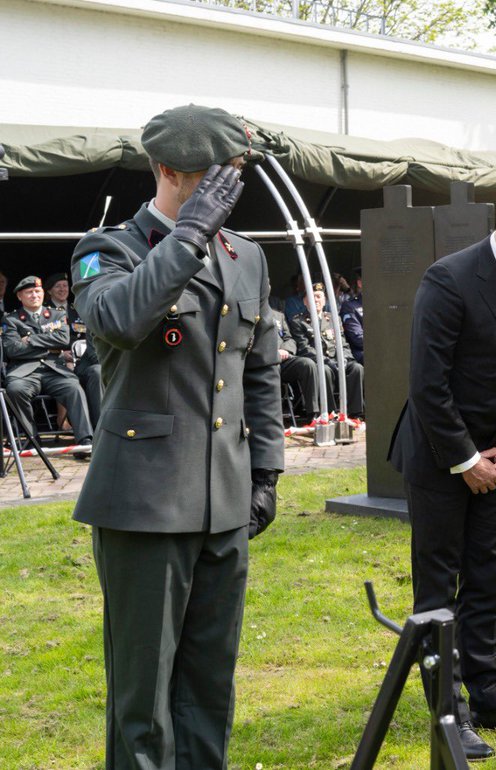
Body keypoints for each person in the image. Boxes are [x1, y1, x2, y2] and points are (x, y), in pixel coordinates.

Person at [69, 104, 283, 770]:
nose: (230, 187)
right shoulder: (108, 249)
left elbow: (261, 370)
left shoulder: (246, 256)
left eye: (237, 172)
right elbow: (122, 319)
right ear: (166, 170)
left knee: (208, 683)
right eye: (214, 174)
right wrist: (186, 236)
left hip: (224, 499)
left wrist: (267, 471)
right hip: (145, 503)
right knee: (143, 695)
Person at [388, 181, 496, 759]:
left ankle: (489, 693)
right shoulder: (449, 279)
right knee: (439, 584)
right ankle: (448, 709)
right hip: (442, 458)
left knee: (487, 575)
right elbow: (428, 385)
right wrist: (466, 459)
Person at [3, 275, 94, 449]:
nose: (34, 295)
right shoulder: (11, 320)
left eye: (38, 291)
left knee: (73, 388)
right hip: (24, 371)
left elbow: (63, 339)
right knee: (15, 390)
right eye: (29, 292)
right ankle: (32, 439)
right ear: (19, 296)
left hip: (54, 369)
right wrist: (48, 344)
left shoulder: (57, 314)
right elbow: (13, 350)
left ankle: (85, 440)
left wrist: (29, 341)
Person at [289, 282, 364, 418]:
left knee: (356, 368)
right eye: (312, 296)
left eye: (319, 297)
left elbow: (343, 343)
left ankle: (355, 413)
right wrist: (326, 361)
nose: (316, 300)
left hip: (338, 360)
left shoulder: (333, 319)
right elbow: (304, 348)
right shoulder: (298, 321)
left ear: (324, 301)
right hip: (320, 362)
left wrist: (346, 359)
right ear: (305, 301)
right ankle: (330, 413)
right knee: (325, 370)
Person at [45, 271, 103, 423]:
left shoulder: (77, 309)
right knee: (66, 371)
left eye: (65, 286)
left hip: (83, 354)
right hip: (58, 357)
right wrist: (61, 353)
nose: (63, 289)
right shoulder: (44, 311)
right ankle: (63, 420)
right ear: (49, 290)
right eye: (58, 286)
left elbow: (88, 336)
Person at [272, 307, 329, 422]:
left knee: (307, 364)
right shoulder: (252, 313)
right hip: (266, 361)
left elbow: (289, 339)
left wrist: (286, 350)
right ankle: (273, 417)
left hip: (284, 359)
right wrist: (274, 353)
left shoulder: (278, 315)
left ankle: (313, 414)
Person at [340, 267, 364, 364]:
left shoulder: (383, 305)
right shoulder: (350, 306)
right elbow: (357, 339)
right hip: (361, 352)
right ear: (360, 283)